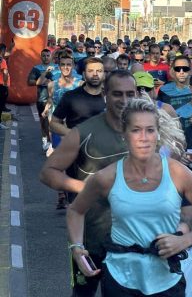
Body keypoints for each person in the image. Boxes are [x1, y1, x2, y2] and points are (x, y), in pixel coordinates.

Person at [66, 97, 192, 296]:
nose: (144, 137)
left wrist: (184, 241)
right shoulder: (107, 177)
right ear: (123, 134)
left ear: (158, 134)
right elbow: (75, 210)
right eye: (135, 130)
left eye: (150, 130)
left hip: (166, 278)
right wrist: (77, 248)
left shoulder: (178, 173)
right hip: (120, 276)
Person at [40, 70, 139, 296]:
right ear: (105, 94)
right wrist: (83, 188)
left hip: (135, 239)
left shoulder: (147, 132)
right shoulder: (84, 132)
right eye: (117, 94)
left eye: (129, 94)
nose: (124, 101)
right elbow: (48, 173)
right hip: (91, 238)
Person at [50, 57, 105, 137]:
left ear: (104, 74)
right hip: (76, 147)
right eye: (90, 71)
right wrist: (73, 134)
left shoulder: (112, 97)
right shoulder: (70, 96)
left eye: (99, 71)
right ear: (84, 74)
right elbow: (53, 123)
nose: (95, 74)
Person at [27, 49, 56, 151]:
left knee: (53, 122)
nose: (46, 57)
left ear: (51, 56)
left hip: (55, 99)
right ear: (40, 57)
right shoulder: (36, 68)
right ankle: (45, 138)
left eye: (48, 55)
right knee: (44, 121)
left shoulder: (57, 67)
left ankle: (53, 143)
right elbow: (29, 82)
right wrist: (41, 81)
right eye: (43, 56)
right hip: (42, 99)